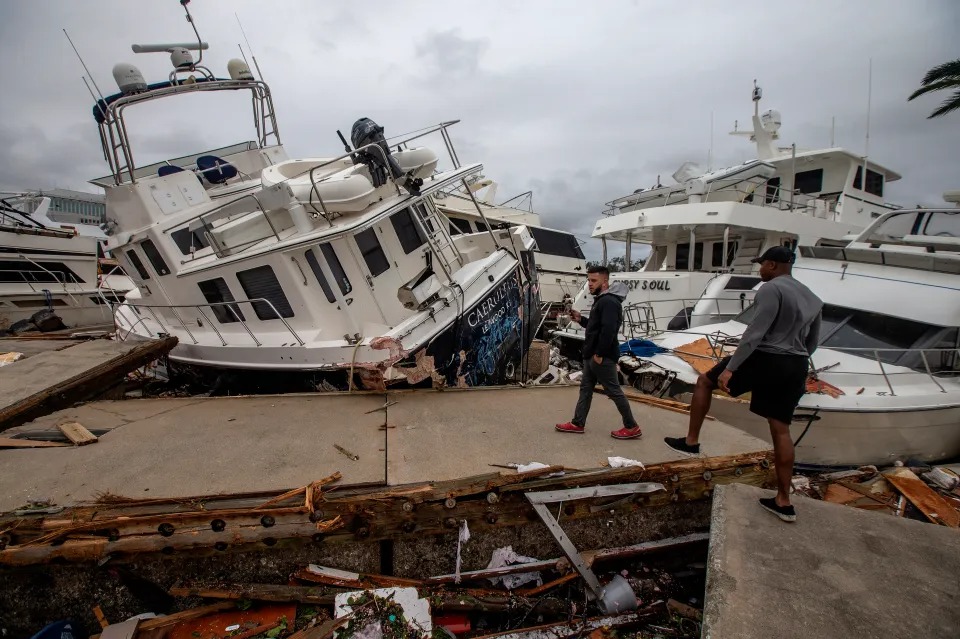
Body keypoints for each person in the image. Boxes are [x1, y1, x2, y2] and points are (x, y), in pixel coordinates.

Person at [664, 246, 822, 523]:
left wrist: (732, 369)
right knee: (780, 428)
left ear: (772, 265)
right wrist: (797, 364)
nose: (759, 270)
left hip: (766, 356)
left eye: (761, 265)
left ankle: (691, 442)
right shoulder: (813, 298)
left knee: (704, 381)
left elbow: (754, 334)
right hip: (796, 363)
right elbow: (812, 343)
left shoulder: (771, 289)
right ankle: (784, 501)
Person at [556, 265, 641, 439]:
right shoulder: (602, 300)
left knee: (614, 391)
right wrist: (581, 320)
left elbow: (609, 330)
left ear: (605, 281)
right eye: (588, 280)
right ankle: (577, 423)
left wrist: (600, 354)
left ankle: (632, 426)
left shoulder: (609, 302)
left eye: (594, 280)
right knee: (585, 389)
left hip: (602, 356)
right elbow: (596, 327)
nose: (590, 284)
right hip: (592, 355)